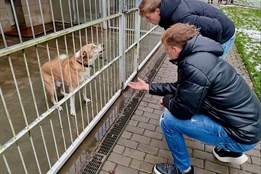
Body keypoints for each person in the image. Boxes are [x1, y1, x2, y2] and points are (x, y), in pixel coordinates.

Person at [128, 23, 261, 174]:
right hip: (250, 127)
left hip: (240, 136)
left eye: (166, 50)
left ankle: (182, 169)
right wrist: (149, 87)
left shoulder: (192, 66)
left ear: (175, 49)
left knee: (168, 120)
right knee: (174, 106)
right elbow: (183, 88)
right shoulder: (202, 55)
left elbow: (183, 111)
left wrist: (166, 101)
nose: (167, 54)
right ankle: (229, 152)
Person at [138, 0, 236, 60]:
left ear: (157, 11)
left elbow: (215, 27)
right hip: (212, 28)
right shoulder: (168, 12)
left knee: (208, 72)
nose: (147, 21)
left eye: (148, 17)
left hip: (224, 34)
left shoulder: (181, 18)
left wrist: (211, 52)